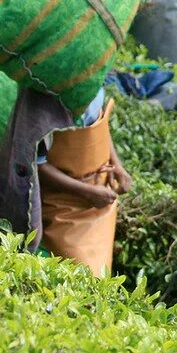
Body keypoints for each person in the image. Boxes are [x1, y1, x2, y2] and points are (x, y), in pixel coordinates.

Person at [37, 87, 133, 278]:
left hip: (100, 198)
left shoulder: (94, 86)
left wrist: (117, 166)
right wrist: (86, 192)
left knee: (100, 274)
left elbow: (99, 123)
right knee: (76, 277)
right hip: (64, 205)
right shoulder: (46, 98)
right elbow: (37, 164)